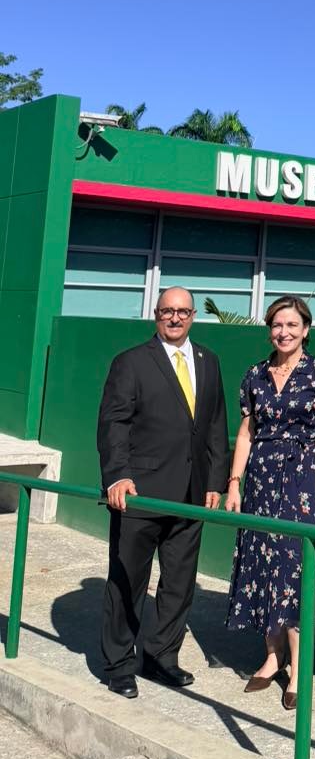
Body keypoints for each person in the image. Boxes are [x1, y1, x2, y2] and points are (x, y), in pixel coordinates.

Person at [97, 286, 229, 699]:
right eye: (167, 311)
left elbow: (214, 426)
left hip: (190, 494)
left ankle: (160, 658)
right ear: (155, 314)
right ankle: (119, 664)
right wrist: (117, 475)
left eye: (183, 312)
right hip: (141, 494)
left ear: (193, 316)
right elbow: (113, 424)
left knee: (179, 583)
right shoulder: (131, 362)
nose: (175, 318)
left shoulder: (208, 361)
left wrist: (215, 481)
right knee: (128, 582)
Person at [225, 296, 315, 711]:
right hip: (259, 481)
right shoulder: (254, 374)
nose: (284, 332)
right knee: (261, 562)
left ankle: (300, 666)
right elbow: (246, 434)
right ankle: (272, 657)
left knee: (294, 566)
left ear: (306, 329)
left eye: (292, 324)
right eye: (277, 325)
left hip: (303, 479)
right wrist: (234, 482)